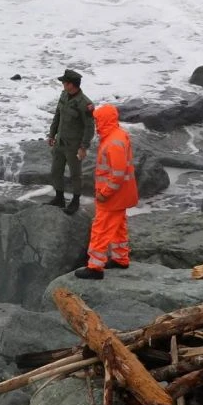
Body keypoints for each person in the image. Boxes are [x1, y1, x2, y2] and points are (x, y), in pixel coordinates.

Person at [77, 103, 136, 279]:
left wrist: (104, 193)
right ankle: (120, 258)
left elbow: (117, 174)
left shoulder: (113, 142)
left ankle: (95, 267)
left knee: (100, 228)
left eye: (97, 120)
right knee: (118, 227)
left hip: (112, 196)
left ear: (105, 120)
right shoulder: (118, 135)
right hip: (122, 194)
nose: (95, 124)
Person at [47, 69, 93, 214]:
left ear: (72, 85)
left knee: (75, 175)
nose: (62, 84)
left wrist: (83, 147)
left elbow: (89, 127)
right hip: (60, 143)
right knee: (55, 171)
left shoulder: (85, 104)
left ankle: (75, 201)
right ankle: (59, 198)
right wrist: (52, 134)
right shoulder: (64, 95)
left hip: (73, 147)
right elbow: (57, 116)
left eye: (64, 83)